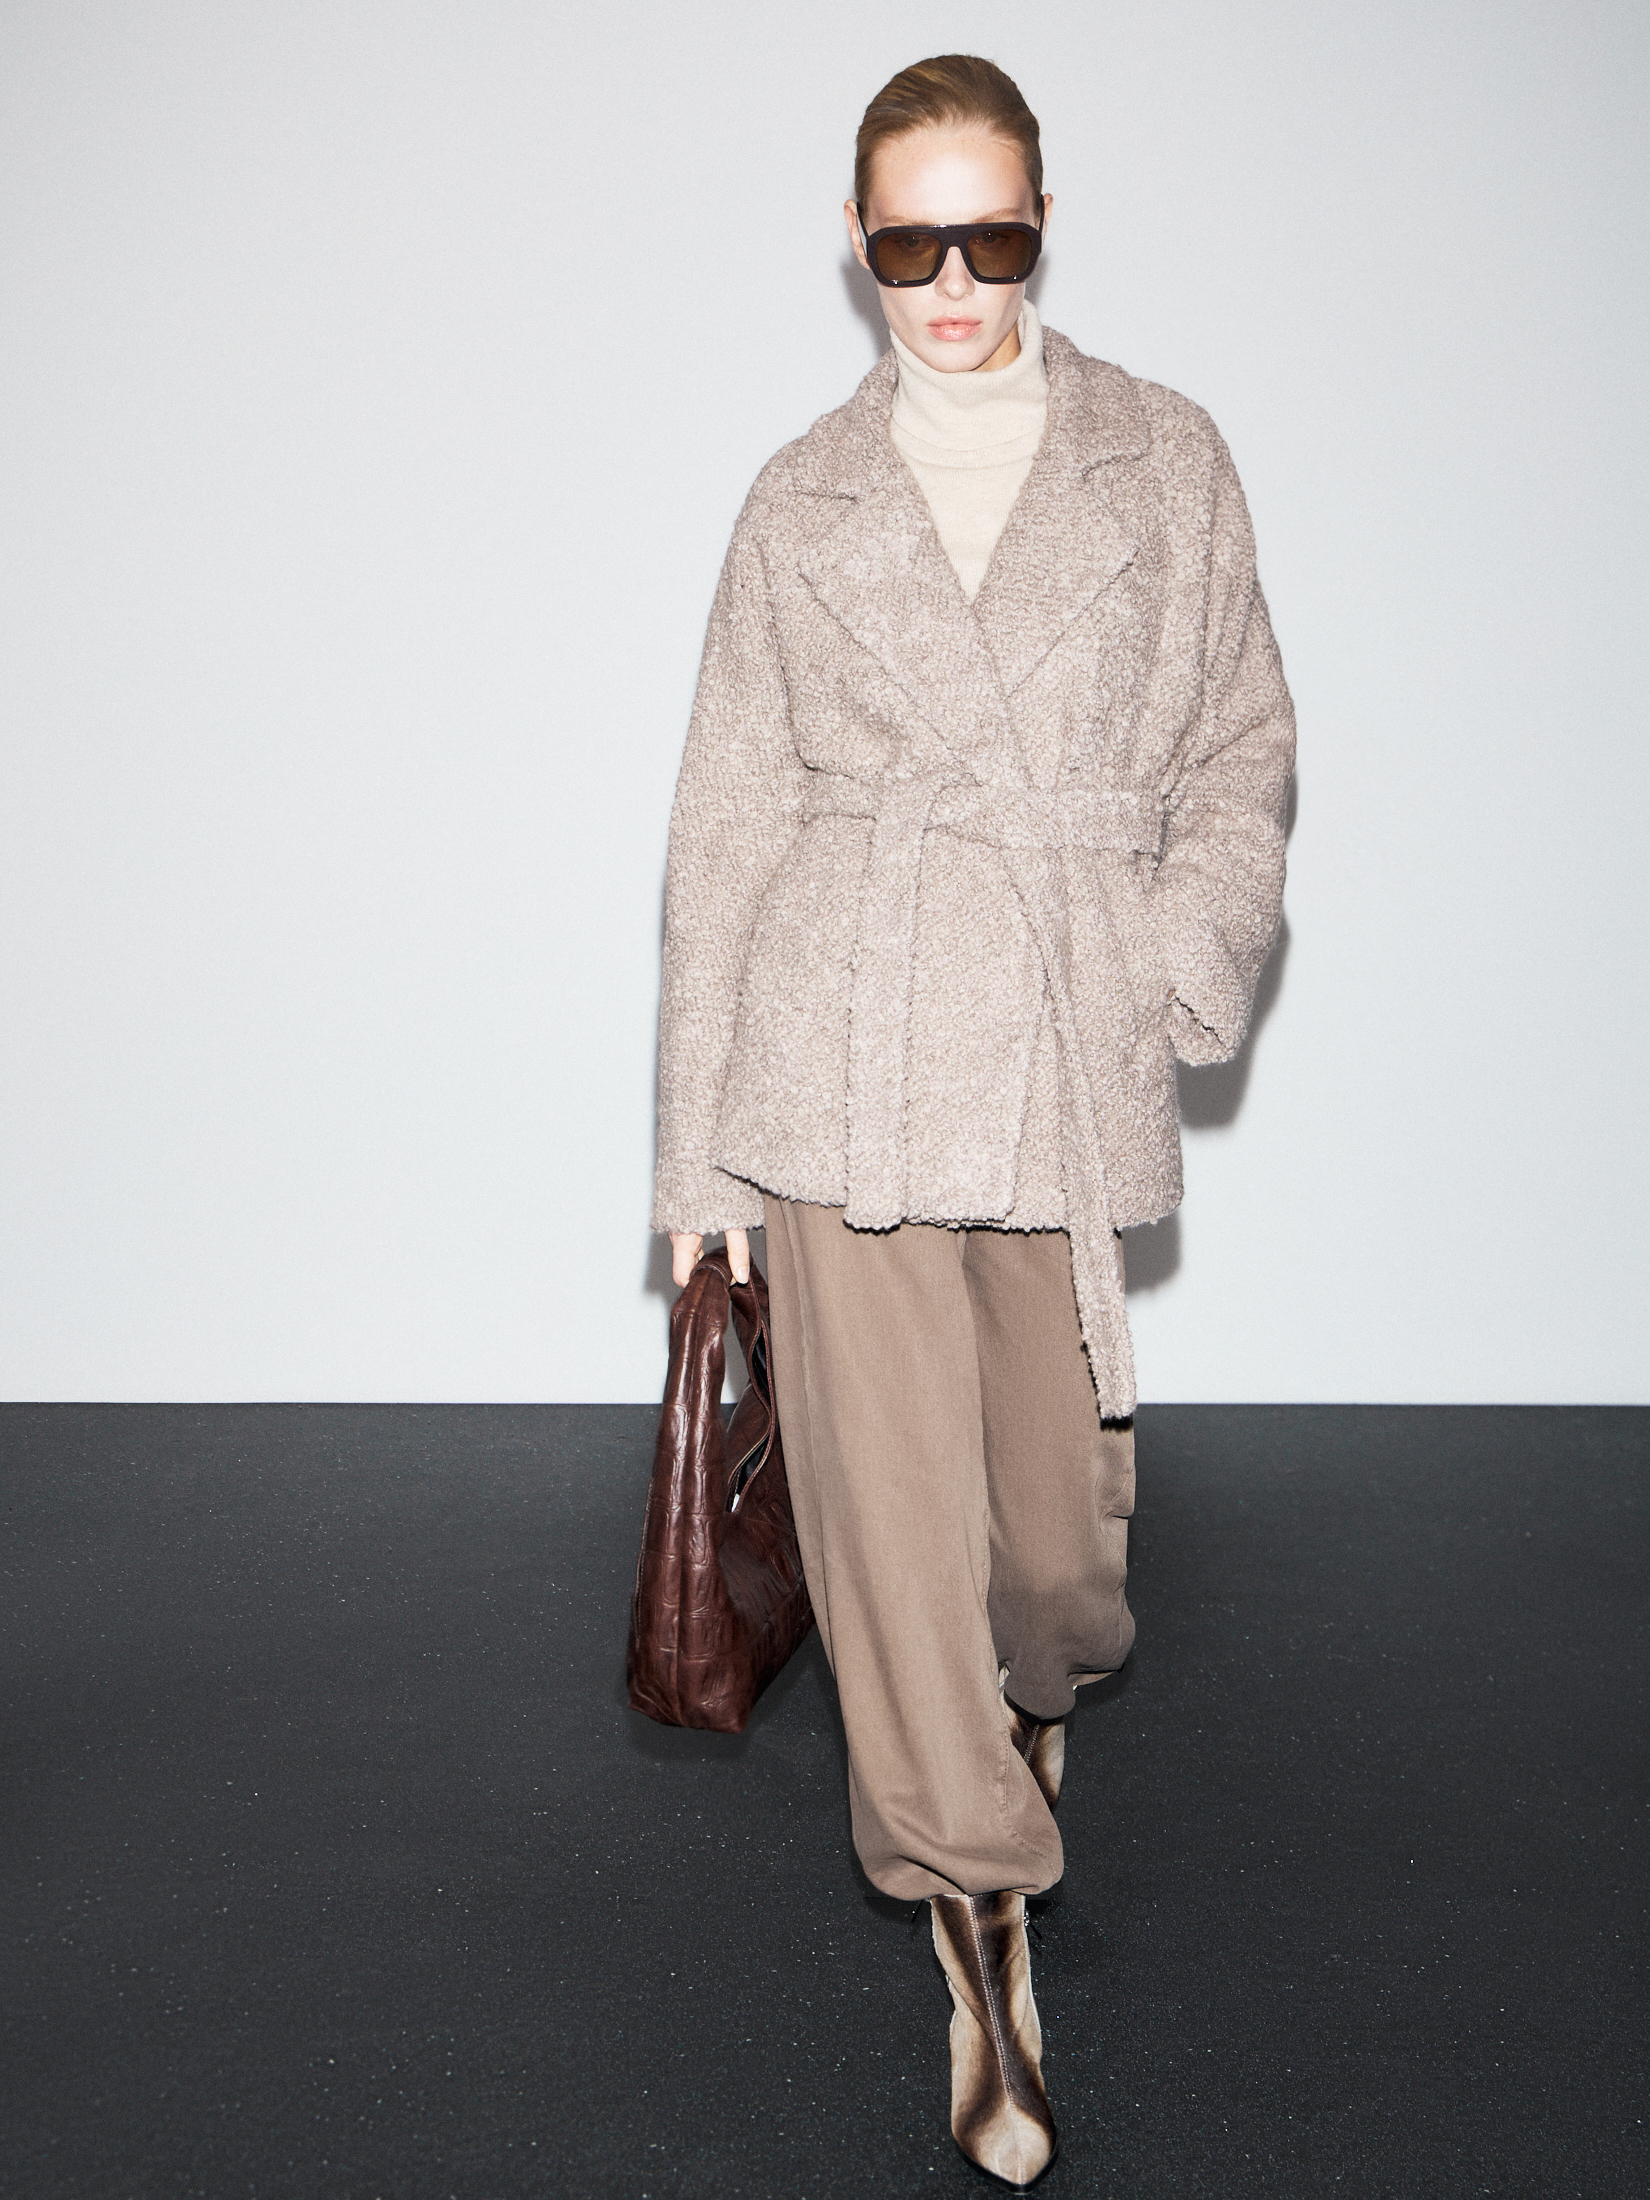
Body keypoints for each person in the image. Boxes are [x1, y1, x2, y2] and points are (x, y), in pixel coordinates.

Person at [652, 52, 1293, 2191]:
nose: (949, 281)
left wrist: (1178, 957)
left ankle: (1022, 1716)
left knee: (1055, 1562)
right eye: (911, 239)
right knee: (891, 1519)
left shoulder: (1162, 457)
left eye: (989, 235)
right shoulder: (798, 499)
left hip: (1052, 1027)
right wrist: (694, 1164)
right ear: (856, 243)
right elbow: (723, 830)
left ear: (1041, 228)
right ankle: (974, 1913)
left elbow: (1243, 746)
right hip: (837, 1042)